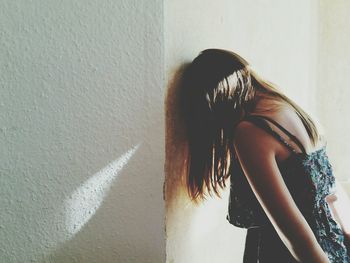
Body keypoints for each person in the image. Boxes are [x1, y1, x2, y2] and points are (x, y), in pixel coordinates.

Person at [179, 48, 350, 262]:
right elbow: (331, 194)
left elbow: (295, 235)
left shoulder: (250, 131)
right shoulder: (288, 108)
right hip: (333, 247)